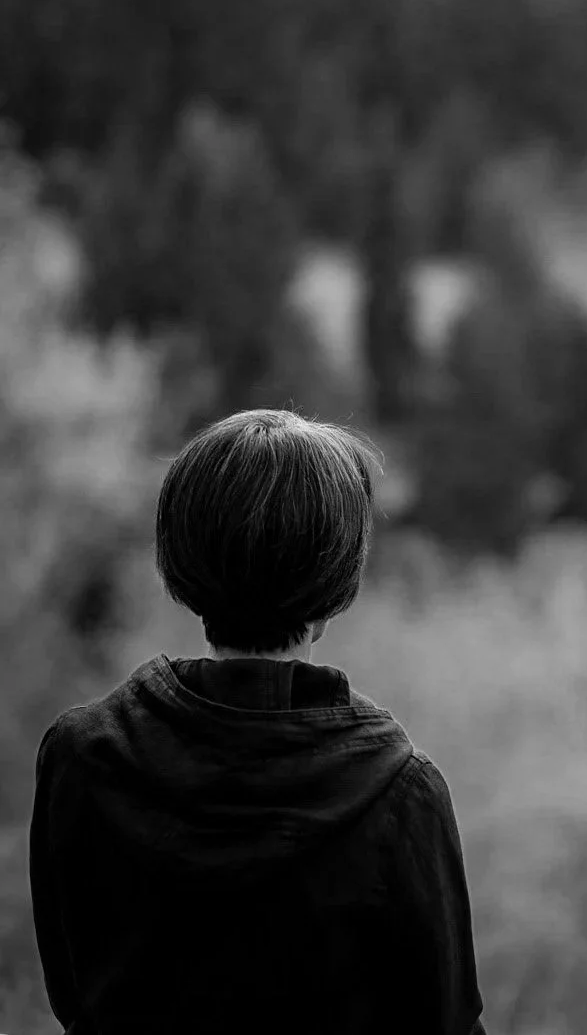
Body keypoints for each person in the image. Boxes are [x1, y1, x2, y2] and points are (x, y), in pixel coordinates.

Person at [29, 409, 486, 1035]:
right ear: (334, 586)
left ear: (181, 560)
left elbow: (72, 993)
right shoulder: (402, 793)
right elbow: (446, 1023)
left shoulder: (80, 754)